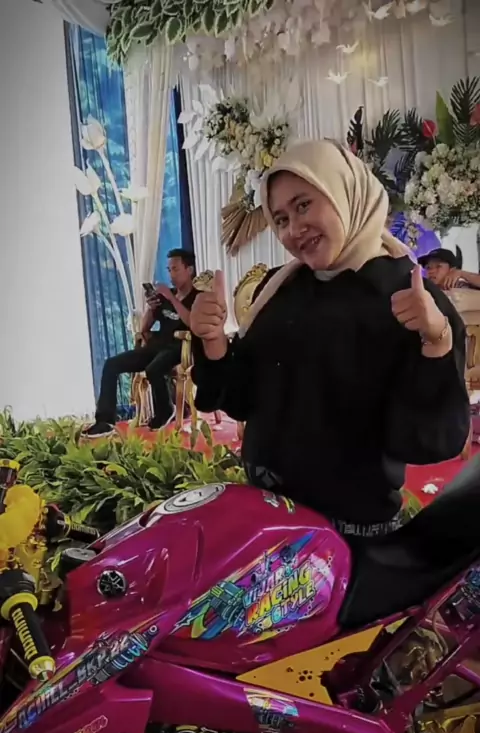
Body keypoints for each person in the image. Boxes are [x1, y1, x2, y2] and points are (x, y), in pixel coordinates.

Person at [190, 140, 470, 539]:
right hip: (268, 517)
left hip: (348, 534)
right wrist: (213, 340)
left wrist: (435, 342)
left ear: (344, 193)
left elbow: (429, 442)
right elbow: (242, 399)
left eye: (304, 205)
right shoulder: (281, 289)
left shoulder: (409, 297)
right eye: (281, 219)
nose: (294, 229)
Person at [83, 249, 197, 438]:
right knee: (111, 364)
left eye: (176, 269)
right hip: (157, 345)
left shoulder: (198, 297)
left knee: (154, 368)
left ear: (189, 269)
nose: (171, 275)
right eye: (169, 270)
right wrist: (151, 309)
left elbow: (192, 322)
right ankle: (105, 421)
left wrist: (172, 299)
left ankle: (165, 410)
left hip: (180, 346)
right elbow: (144, 328)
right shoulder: (165, 297)